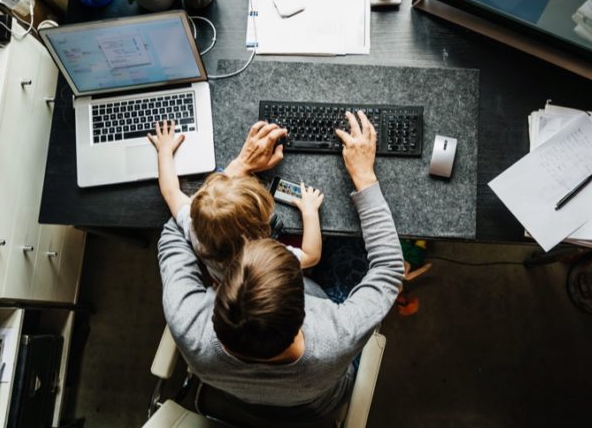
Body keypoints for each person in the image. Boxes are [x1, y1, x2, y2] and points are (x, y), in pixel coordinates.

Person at [157, 111, 404, 421]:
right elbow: (389, 269)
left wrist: (236, 170)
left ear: (217, 298)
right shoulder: (336, 336)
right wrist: (364, 176)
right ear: (304, 308)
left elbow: (175, 232)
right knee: (350, 244)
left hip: (237, 400)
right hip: (318, 406)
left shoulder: (187, 325)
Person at [148, 120, 324, 281]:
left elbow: (170, 191)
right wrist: (310, 212)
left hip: (223, 279)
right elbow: (311, 256)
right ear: (262, 227)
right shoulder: (265, 256)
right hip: (259, 278)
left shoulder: (194, 228)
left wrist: (164, 152)